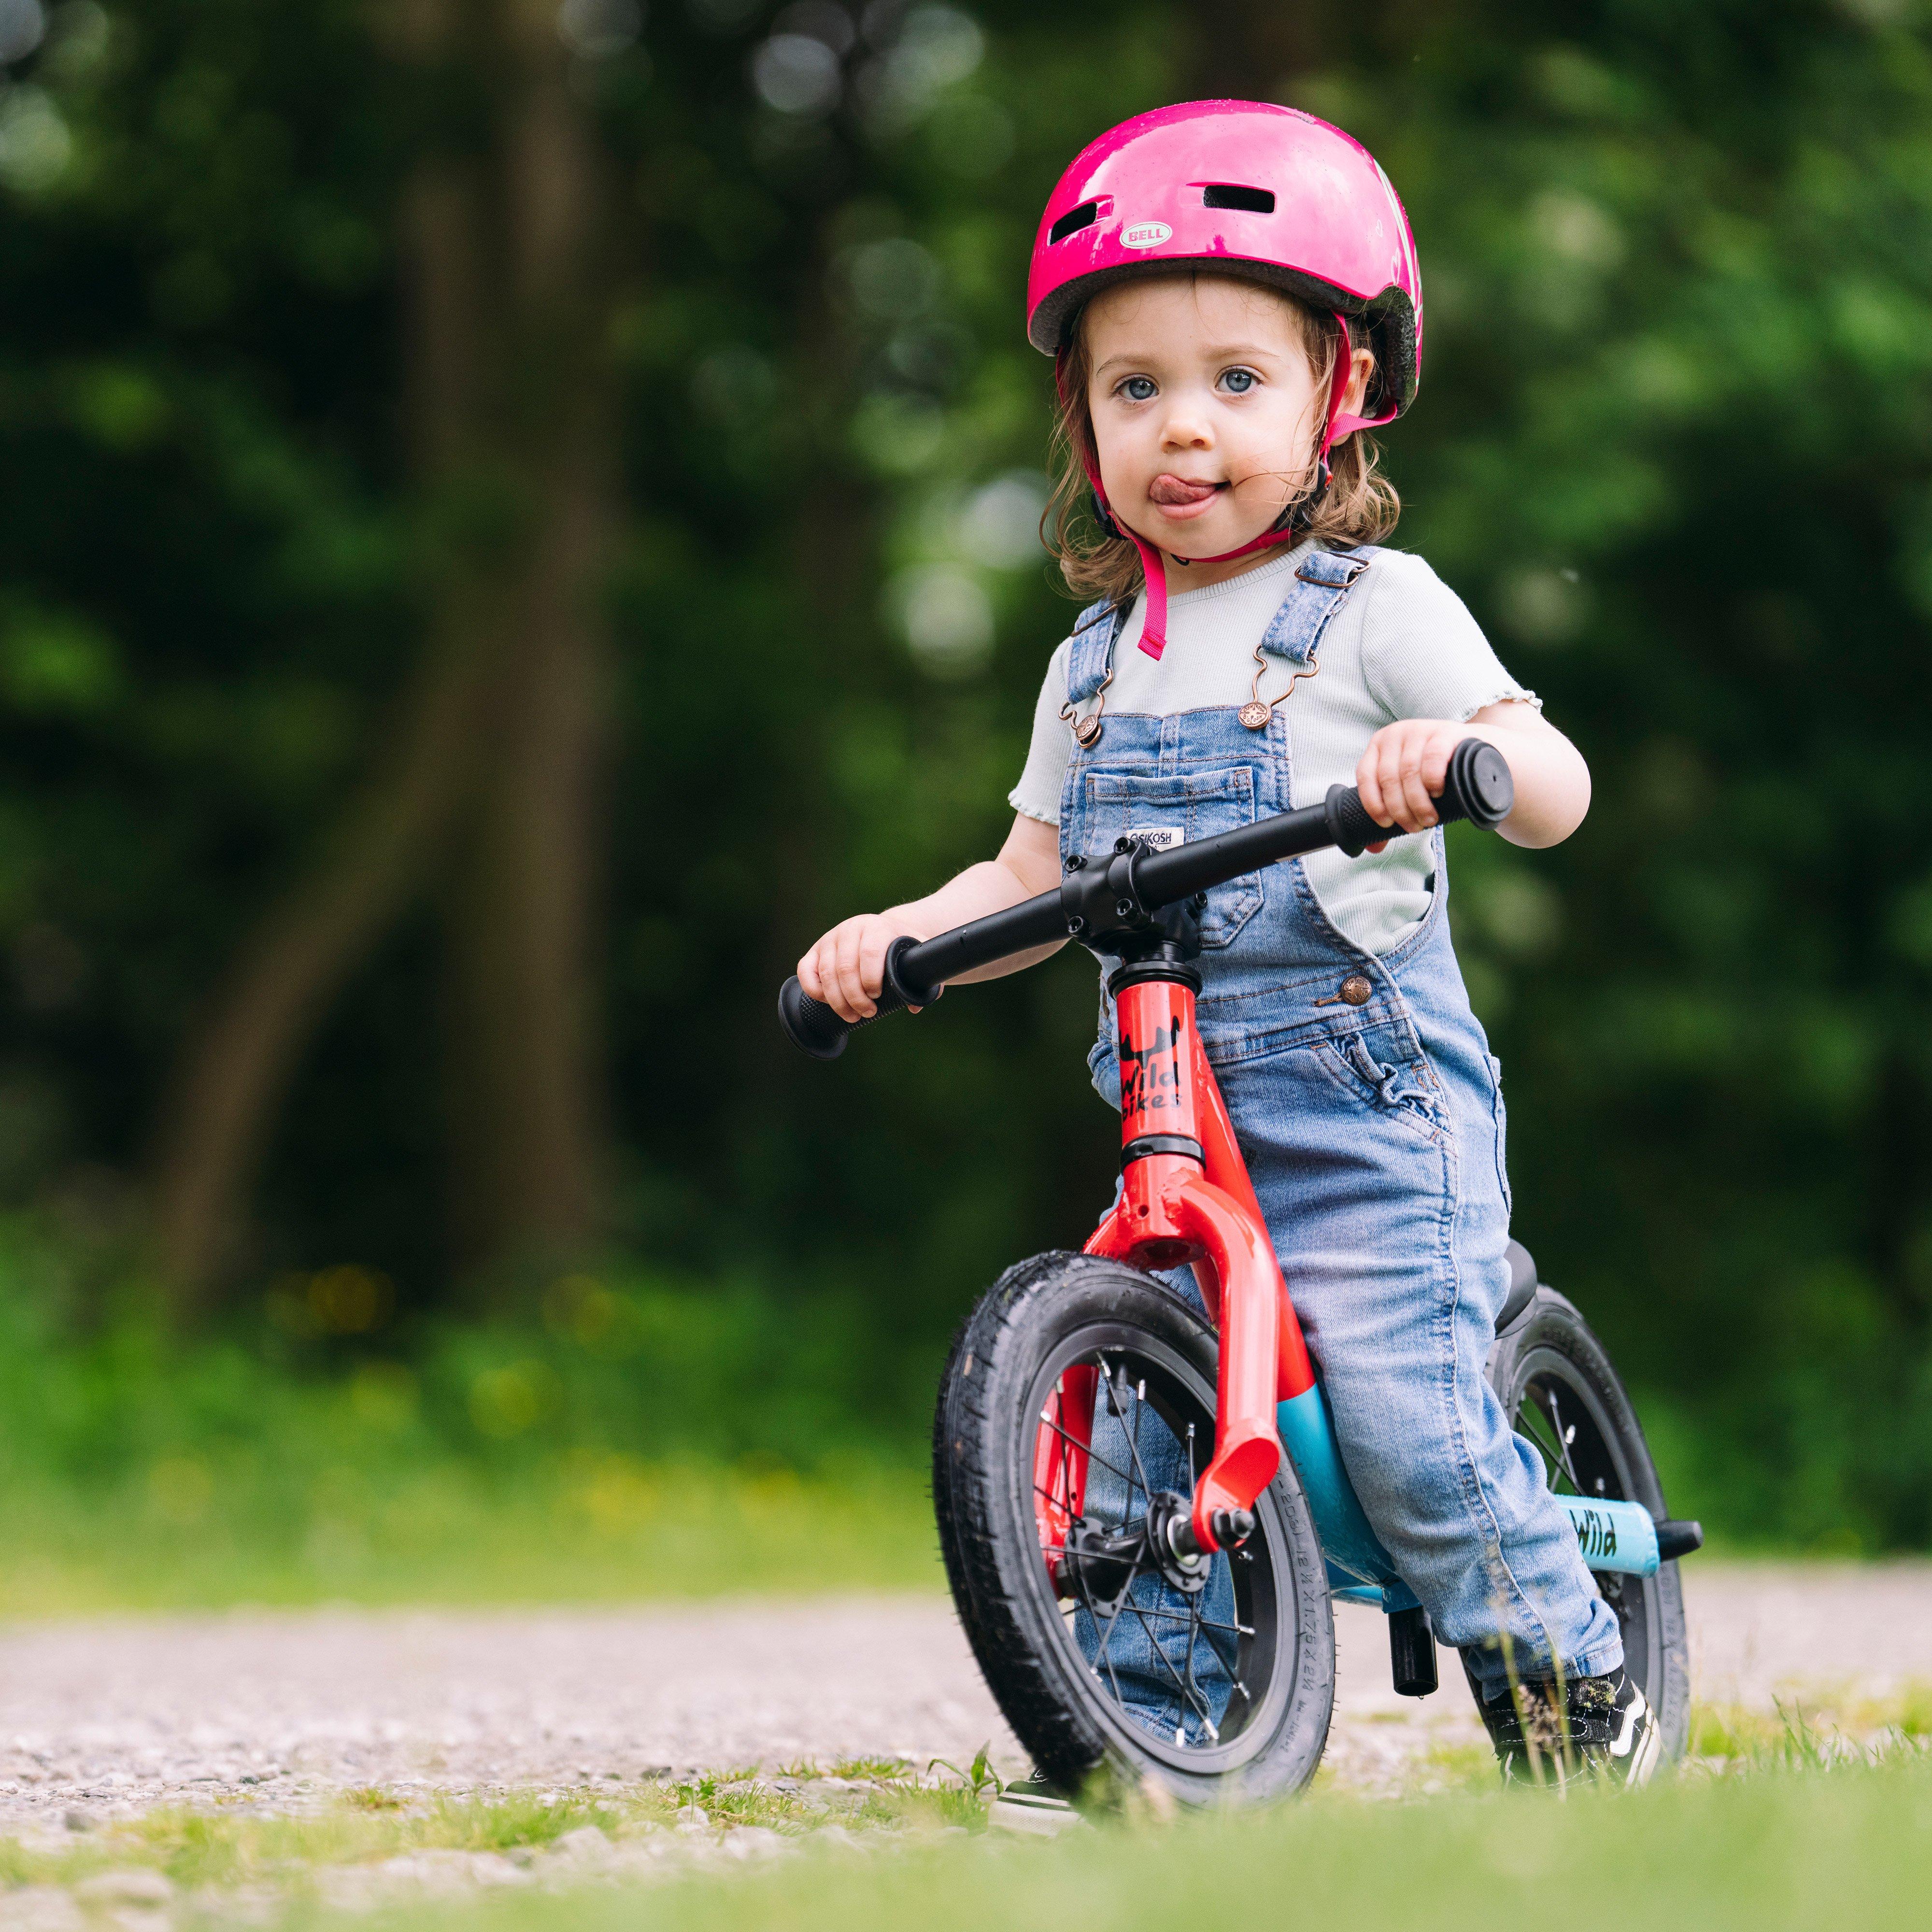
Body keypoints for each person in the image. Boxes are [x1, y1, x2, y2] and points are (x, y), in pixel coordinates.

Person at [798, 100, 1655, 1788]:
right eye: (1136, 388)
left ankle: (1575, 1689)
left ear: (1339, 391)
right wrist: (902, 938)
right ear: (1082, 416)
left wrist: (1455, 765)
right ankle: (1140, 1748)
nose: (1183, 430)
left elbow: (1549, 781)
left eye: (1236, 382)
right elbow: (1023, 886)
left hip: (1363, 1121)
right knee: (1111, 1446)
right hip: (1171, 1126)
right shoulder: (1090, 664)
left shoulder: (1380, 606)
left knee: (1415, 1432)